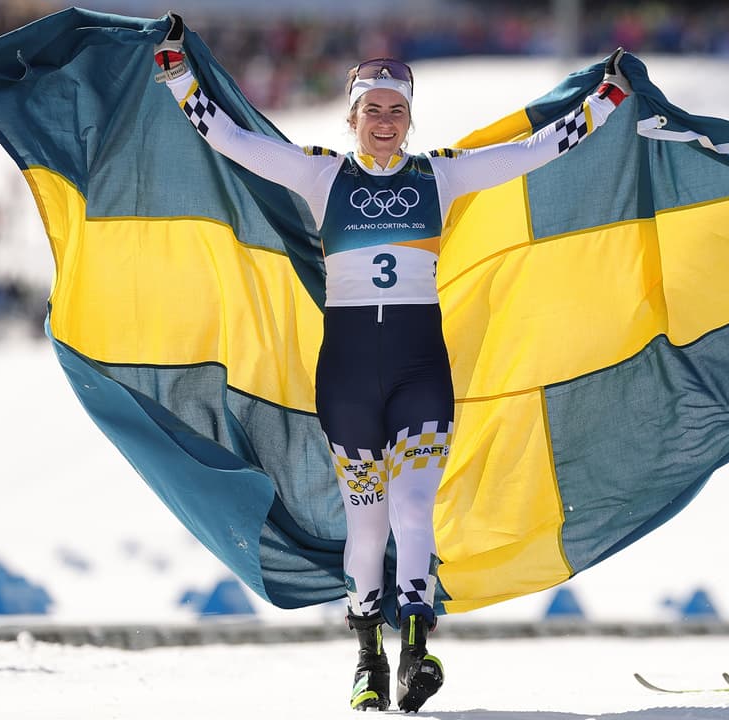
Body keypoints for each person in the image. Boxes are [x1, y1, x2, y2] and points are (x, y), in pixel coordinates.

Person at [151, 13, 632, 712]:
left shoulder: (442, 173)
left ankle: (415, 648)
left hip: (418, 370)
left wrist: (606, 101)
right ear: (352, 118)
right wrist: (177, 73)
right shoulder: (321, 172)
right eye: (372, 110)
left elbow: (534, 150)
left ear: (409, 118)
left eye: (396, 110)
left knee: (412, 507)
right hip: (347, 377)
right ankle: (366, 657)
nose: (384, 121)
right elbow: (230, 138)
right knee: (368, 522)